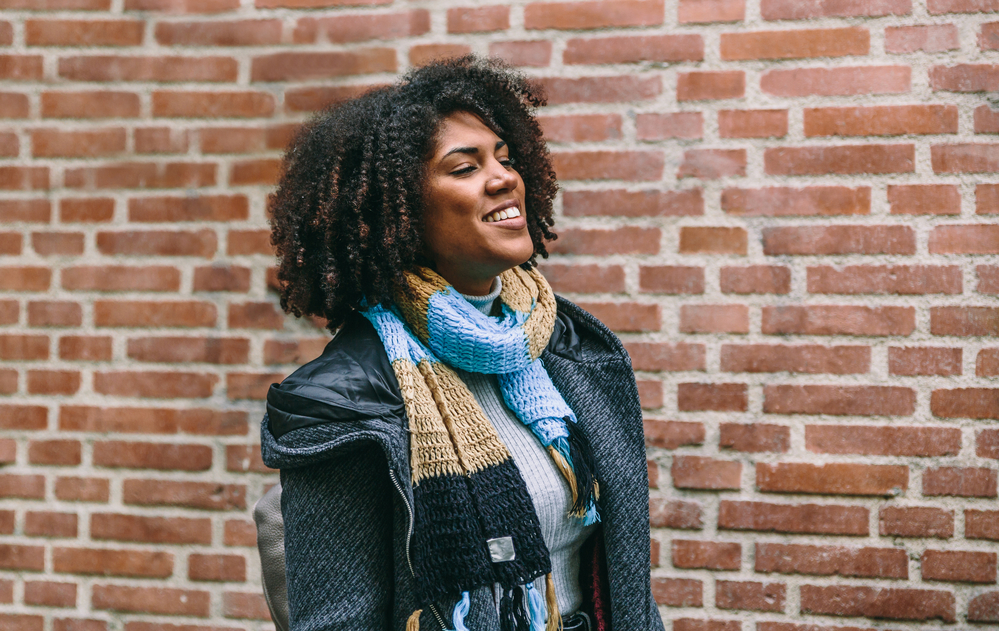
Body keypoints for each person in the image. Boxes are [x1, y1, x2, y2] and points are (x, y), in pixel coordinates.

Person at [259, 56, 665, 631]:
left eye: (504, 157)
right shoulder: (343, 401)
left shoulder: (569, 349)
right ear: (395, 212)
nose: (503, 178)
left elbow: (623, 580)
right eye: (464, 168)